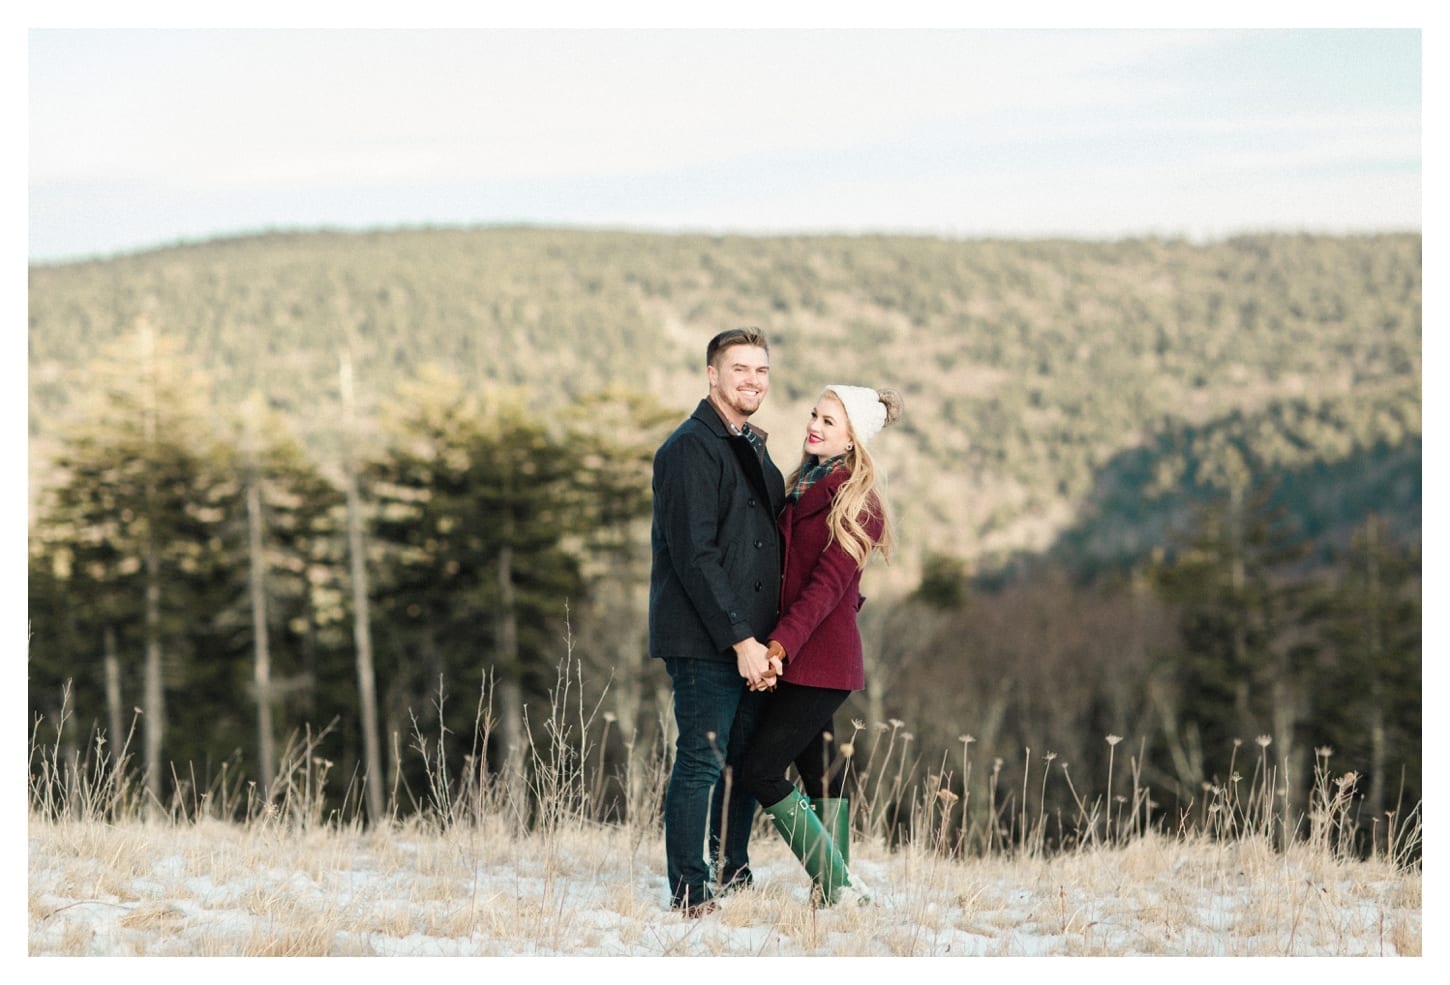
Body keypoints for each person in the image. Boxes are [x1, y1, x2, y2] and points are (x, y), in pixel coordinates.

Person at [736, 383, 903, 906]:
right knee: (820, 774)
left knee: (761, 770)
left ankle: (838, 884)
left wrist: (777, 648)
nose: (815, 426)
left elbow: (825, 589)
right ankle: (836, 892)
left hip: (821, 660)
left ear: (853, 438)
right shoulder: (804, 484)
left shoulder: (859, 503)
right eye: (815, 415)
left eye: (830, 422)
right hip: (797, 653)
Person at [649, 326, 786, 917]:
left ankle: (732, 870)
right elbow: (695, 555)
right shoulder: (689, 448)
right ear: (712, 374)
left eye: (761, 370)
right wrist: (740, 640)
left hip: (755, 639)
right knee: (701, 758)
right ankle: (690, 890)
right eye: (739, 369)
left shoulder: (749, 444)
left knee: (741, 757)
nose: (752, 380)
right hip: (708, 638)